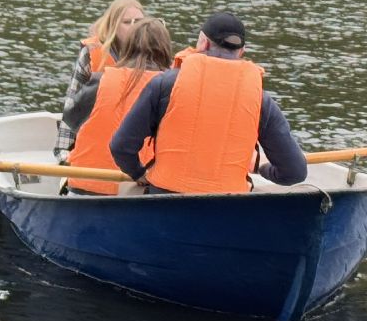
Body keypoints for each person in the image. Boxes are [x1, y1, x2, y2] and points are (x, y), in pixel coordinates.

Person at [109, 11, 307, 194]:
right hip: (225, 209)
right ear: (242, 52)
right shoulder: (261, 99)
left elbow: (121, 146)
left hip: (165, 202)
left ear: (203, 43)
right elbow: (295, 172)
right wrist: (263, 168)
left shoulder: (165, 84)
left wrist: (137, 173)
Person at [65, 18, 174, 195]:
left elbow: (71, 119)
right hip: (138, 190)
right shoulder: (172, 89)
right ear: (165, 49)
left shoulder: (99, 81)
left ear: (128, 47)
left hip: (87, 185)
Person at [54, 0, 147, 162]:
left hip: (134, 148)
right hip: (96, 142)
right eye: (127, 23)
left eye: (139, 22)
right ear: (113, 26)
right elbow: (73, 104)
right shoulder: (92, 53)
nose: (135, 28)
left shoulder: (153, 54)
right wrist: (63, 153)